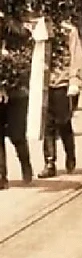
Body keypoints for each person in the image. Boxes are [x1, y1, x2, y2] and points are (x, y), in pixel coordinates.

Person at [38, 19, 82, 178]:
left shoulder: (68, 31)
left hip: (62, 82)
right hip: (44, 84)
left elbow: (76, 56)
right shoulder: (39, 28)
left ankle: (70, 155)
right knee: (47, 124)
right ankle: (49, 162)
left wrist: (75, 80)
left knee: (63, 122)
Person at [0, 20, 34, 189]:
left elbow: (26, 64)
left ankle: (26, 168)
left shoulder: (19, 36)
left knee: (17, 135)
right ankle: (1, 176)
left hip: (17, 94)